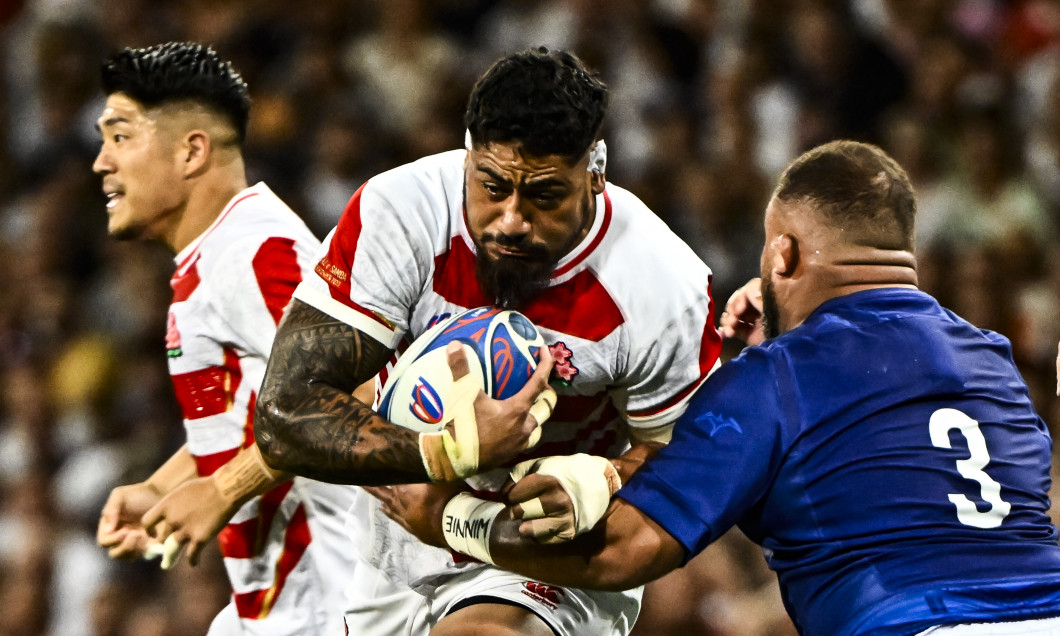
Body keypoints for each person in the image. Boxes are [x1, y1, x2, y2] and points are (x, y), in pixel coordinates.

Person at [372, 140, 1060, 636]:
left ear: (782, 253)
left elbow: (624, 551)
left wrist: (446, 520)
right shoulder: (994, 362)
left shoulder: (778, 379)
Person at [252, 47, 723, 635]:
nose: (511, 219)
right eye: (492, 185)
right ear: (468, 153)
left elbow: (689, 468)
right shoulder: (402, 213)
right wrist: (448, 454)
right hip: (396, 535)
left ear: (595, 172)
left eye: (544, 195)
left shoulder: (660, 284)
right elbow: (283, 413)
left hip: (547, 551)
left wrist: (603, 478)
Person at [91, 42, 364, 635]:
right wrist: (164, 487)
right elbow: (260, 412)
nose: (100, 163)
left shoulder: (255, 254)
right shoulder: (219, 255)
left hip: (333, 603)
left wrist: (222, 489)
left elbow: (356, 393)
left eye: (120, 137)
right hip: (278, 606)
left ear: (192, 151)